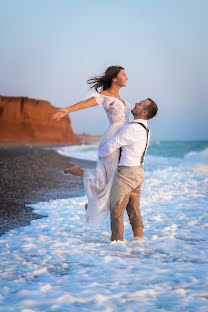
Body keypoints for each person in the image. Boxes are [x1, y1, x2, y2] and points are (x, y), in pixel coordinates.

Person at [52, 66, 131, 226]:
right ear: (114, 79)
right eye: (123, 74)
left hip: (124, 140)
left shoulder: (123, 100)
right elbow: (86, 103)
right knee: (110, 178)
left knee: (114, 179)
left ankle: (93, 204)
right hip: (112, 139)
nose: (127, 77)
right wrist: (67, 110)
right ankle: (82, 180)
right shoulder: (105, 96)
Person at [98, 98, 158, 241]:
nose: (136, 103)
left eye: (140, 104)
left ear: (144, 112)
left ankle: (117, 244)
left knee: (117, 211)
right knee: (134, 209)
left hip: (127, 173)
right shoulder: (145, 128)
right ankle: (139, 242)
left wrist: (100, 153)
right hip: (139, 172)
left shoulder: (133, 128)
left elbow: (114, 143)